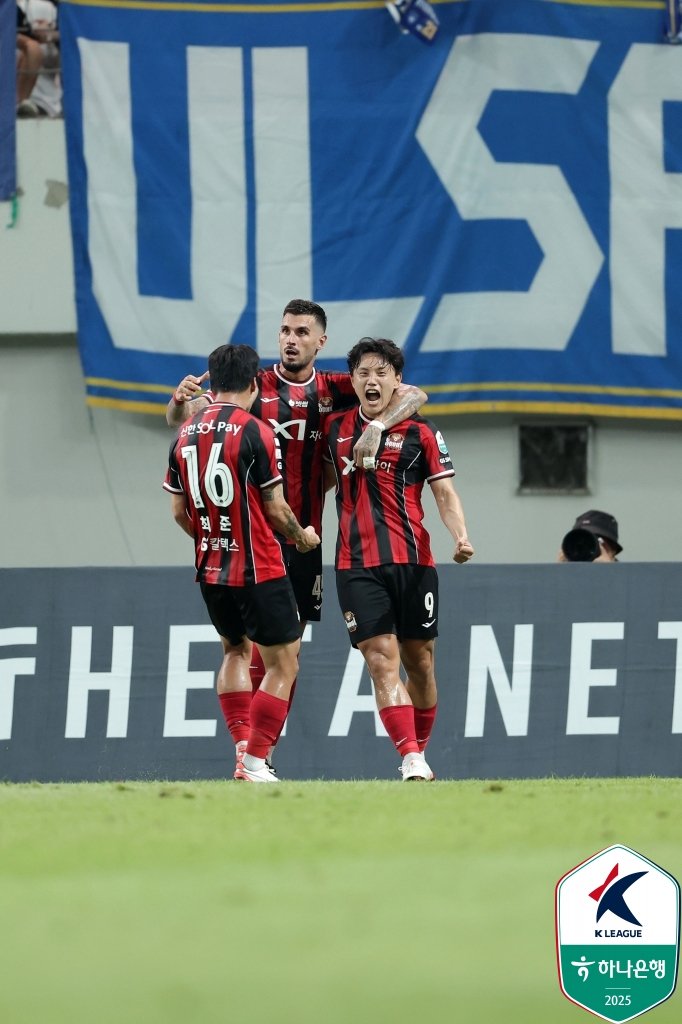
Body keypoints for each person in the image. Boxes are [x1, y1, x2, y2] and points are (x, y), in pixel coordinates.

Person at [167, 299, 428, 774]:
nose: (291, 339)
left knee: (283, 651)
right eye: (285, 331)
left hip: (304, 536)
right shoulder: (255, 383)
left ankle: (256, 756)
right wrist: (178, 400)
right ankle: (249, 752)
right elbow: (191, 417)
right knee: (254, 649)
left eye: (302, 332)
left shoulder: (335, 388)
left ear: (320, 341)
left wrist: (378, 429)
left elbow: (412, 394)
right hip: (257, 535)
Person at [163, 343, 320, 783]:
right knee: (283, 663)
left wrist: (214, 537)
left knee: (234, 650)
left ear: (212, 381)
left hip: (210, 566)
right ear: (254, 384)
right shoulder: (256, 431)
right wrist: (302, 537)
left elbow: (178, 512)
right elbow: (275, 507)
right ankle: (255, 761)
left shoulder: (186, 435)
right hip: (259, 566)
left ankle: (241, 749)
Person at [323, 337, 474, 781]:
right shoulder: (333, 428)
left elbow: (444, 493)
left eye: (381, 373)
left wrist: (461, 536)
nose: (372, 381)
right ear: (352, 381)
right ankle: (410, 755)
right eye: (364, 373)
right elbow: (314, 481)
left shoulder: (422, 432)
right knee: (379, 658)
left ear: (397, 380)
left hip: (414, 561)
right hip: (355, 564)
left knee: (420, 663)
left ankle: (419, 750)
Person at [558, 509, 622, 563]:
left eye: (598, 542)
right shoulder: (561, 574)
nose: (585, 550)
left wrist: (609, 571)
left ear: (613, 551)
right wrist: (560, 571)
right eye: (579, 546)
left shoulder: (628, 576)